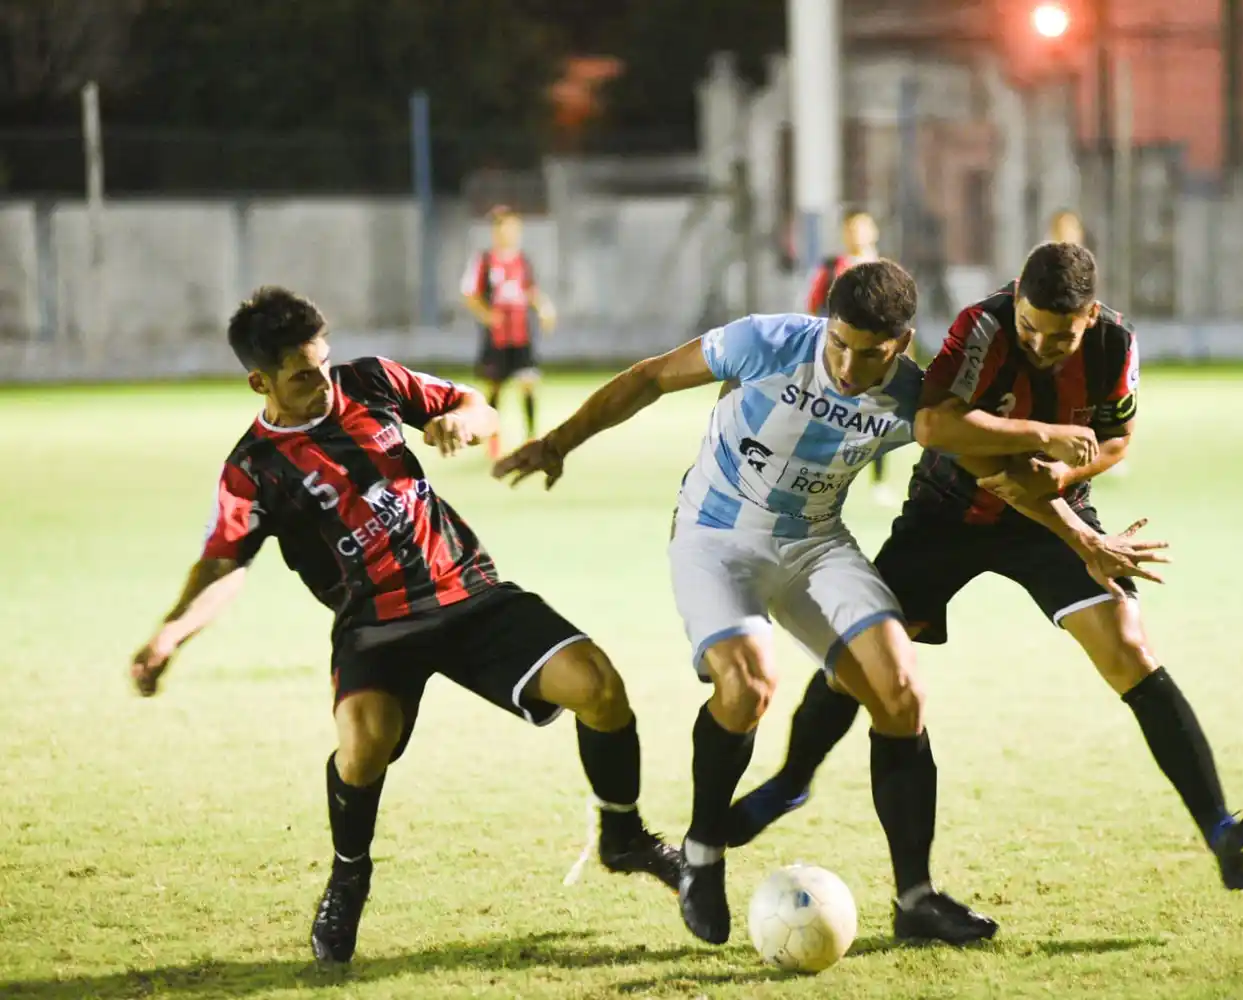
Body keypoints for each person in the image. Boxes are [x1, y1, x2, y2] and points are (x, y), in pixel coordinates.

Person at [493, 260, 1104, 946]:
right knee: (749, 684)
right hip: (716, 535)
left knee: (900, 694)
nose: (847, 363)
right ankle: (702, 856)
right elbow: (650, 377)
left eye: (869, 351)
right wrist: (556, 443)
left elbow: (1002, 475)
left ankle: (916, 900)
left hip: (815, 543)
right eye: (838, 342)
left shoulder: (911, 396)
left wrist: (1082, 537)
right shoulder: (767, 342)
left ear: (901, 344)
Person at [128, 287, 680, 965]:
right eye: (302, 374)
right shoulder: (254, 470)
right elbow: (223, 565)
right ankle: (349, 874)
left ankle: (623, 837)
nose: (322, 382)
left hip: (466, 589)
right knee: (364, 745)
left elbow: (471, 406)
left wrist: (462, 425)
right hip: (375, 623)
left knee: (598, 685)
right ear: (259, 381)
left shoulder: (371, 381)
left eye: (322, 362)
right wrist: (170, 634)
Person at [725, 242, 1243, 893]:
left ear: (1091, 315)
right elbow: (937, 429)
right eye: (1031, 328)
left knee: (1129, 647)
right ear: (1015, 300)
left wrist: (1073, 471)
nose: (1043, 345)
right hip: (948, 513)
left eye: (1061, 335)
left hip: (1050, 518)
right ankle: (792, 783)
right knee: (860, 660)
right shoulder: (980, 329)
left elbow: (1119, 436)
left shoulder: (1114, 344)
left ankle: (1220, 830)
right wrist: (1049, 456)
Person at [804, 209, 905, 506]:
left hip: (878, 358)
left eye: (862, 228)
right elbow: (814, 307)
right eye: (851, 229)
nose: (857, 234)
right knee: (830, 414)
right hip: (840, 358)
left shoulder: (888, 271)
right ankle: (817, 479)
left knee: (879, 416)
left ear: (873, 231)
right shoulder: (833, 267)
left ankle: (879, 482)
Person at [461, 206, 557, 459]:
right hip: (497, 338)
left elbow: (531, 291)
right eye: (503, 227)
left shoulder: (523, 261)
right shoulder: (484, 260)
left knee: (528, 383)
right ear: (495, 231)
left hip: (521, 334)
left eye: (513, 227)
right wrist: (488, 316)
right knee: (494, 388)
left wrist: (545, 308)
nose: (509, 232)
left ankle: (531, 438)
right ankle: (493, 440)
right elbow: (470, 294)